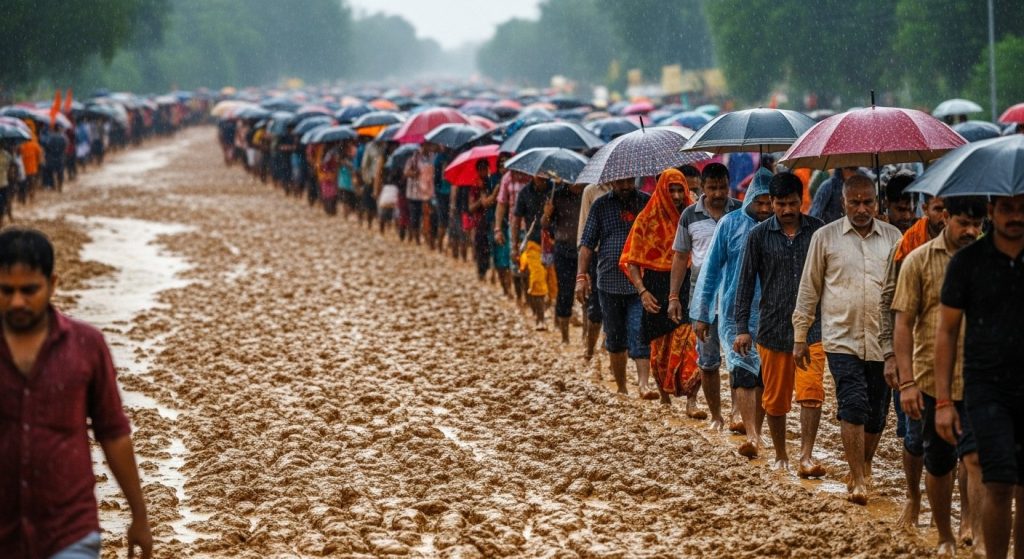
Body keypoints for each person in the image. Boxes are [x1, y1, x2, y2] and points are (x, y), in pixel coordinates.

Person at [0, 228, 152, 559]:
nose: (17, 302)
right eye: (5, 291)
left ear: (52, 285)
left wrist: (139, 515)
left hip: (69, 533)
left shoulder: (86, 346)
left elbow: (113, 433)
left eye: (29, 290)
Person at [793, 174, 902, 505]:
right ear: (843, 203)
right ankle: (856, 477)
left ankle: (865, 464)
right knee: (853, 405)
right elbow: (809, 287)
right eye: (854, 202)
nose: (861, 208)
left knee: (877, 413)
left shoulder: (894, 237)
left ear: (877, 203)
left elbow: (902, 289)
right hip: (842, 338)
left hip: (883, 340)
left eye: (867, 201)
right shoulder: (825, 238)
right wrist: (800, 334)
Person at [892, 196, 986, 557]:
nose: (971, 231)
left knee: (976, 458)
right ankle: (945, 533)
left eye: (977, 224)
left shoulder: (990, 261)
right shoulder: (917, 261)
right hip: (932, 379)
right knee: (939, 461)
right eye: (964, 222)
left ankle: (974, 531)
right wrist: (907, 382)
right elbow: (903, 323)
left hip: (980, 379)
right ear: (945, 217)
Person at [935, 194, 1024, 559]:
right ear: (992, 212)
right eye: (1007, 209)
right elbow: (947, 332)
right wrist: (943, 401)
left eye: (1022, 209)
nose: (1015, 217)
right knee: (999, 481)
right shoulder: (968, 263)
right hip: (986, 389)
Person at [734, 172, 827, 475]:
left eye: (792, 203)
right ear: (770, 203)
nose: (787, 210)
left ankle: (807, 456)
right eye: (781, 204)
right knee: (775, 399)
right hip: (772, 329)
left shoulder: (818, 232)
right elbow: (745, 283)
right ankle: (781, 454)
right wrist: (741, 329)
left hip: (813, 328)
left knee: (811, 392)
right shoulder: (758, 236)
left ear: (802, 201)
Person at [878, 176, 947, 531]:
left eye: (951, 210)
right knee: (914, 435)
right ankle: (913, 498)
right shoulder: (908, 246)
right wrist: (890, 354)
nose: (946, 217)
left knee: (967, 442)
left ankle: (962, 518)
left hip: (961, 358)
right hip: (916, 355)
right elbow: (890, 301)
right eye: (938, 209)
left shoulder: (972, 244)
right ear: (925, 210)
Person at [690, 170, 772, 457]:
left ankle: (757, 431)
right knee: (742, 371)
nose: (765, 209)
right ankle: (751, 434)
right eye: (759, 202)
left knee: (764, 375)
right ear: (749, 199)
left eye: (769, 202)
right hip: (733, 311)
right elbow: (710, 271)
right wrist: (702, 313)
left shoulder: (780, 228)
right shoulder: (730, 224)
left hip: (770, 312)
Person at [668, 163, 742, 432]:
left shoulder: (741, 211)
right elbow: (680, 256)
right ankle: (716, 416)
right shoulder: (689, 216)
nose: (719, 193)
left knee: (739, 359)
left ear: (728, 184)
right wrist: (673, 296)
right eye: (712, 188)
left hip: (736, 297)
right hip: (703, 300)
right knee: (708, 362)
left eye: (723, 187)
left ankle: (737, 413)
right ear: (701, 187)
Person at [622, 169, 702, 413]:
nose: (677, 195)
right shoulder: (647, 219)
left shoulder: (693, 216)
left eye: (680, 190)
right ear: (661, 190)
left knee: (690, 343)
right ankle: (665, 399)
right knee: (659, 348)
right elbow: (631, 259)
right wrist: (642, 291)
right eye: (672, 190)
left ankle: (691, 399)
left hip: (688, 286)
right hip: (656, 289)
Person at [576, 178, 651, 396]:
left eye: (629, 181)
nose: (626, 186)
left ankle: (644, 385)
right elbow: (587, 243)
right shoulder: (600, 205)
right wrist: (581, 276)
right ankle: (622, 388)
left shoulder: (646, 203)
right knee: (615, 338)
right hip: (608, 282)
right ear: (612, 181)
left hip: (640, 283)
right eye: (621, 182)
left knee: (639, 332)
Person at [543, 179, 583, 343]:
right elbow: (544, 224)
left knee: (586, 293)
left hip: (583, 250)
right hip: (562, 250)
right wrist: (547, 212)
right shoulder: (556, 196)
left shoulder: (586, 193)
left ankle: (586, 337)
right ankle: (565, 336)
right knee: (565, 291)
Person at [512, 175, 554, 330]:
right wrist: (514, 245)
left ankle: (557, 317)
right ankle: (540, 318)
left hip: (554, 243)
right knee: (537, 279)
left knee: (553, 282)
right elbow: (516, 220)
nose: (541, 178)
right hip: (534, 242)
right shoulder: (524, 193)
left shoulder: (555, 190)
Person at [404, 144, 435, 245]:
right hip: (414, 193)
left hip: (427, 193)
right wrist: (414, 173)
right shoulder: (413, 159)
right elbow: (406, 173)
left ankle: (425, 237)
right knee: (415, 216)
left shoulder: (431, 158)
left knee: (426, 216)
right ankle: (416, 238)